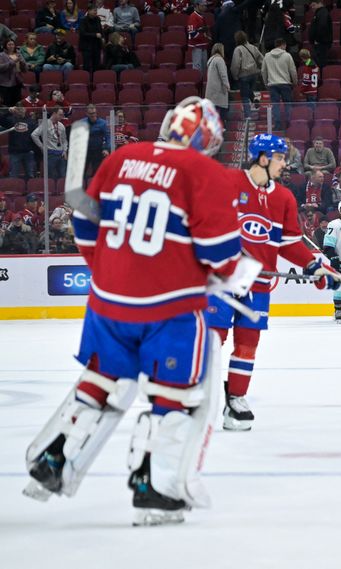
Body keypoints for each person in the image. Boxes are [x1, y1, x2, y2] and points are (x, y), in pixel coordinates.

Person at [22, 97, 254, 526]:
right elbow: (220, 255)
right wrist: (237, 274)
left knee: (101, 381)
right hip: (170, 307)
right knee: (175, 393)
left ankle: (55, 456)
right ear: (209, 140)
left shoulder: (124, 157)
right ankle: (154, 486)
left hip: (108, 302)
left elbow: (85, 222)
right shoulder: (206, 172)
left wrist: (108, 270)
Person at [205, 132, 341, 431]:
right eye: (280, 158)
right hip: (220, 280)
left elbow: (290, 243)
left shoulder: (283, 197)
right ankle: (199, 399)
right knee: (211, 341)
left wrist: (314, 265)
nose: (285, 164)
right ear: (263, 158)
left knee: (248, 343)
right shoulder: (226, 184)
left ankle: (236, 399)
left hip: (257, 284)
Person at [261, 37, 296, 131]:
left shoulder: (267, 56)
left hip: (272, 84)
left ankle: (277, 124)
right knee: (287, 104)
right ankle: (289, 123)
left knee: (275, 105)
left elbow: (263, 71)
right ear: (283, 45)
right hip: (285, 83)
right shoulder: (287, 56)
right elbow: (292, 70)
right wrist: (295, 82)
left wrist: (266, 83)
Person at [230, 30, 263, 120]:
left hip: (243, 75)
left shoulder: (238, 49)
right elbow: (261, 59)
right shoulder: (253, 47)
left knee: (244, 96)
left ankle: (248, 116)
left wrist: (235, 75)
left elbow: (236, 64)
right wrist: (260, 70)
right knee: (251, 91)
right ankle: (255, 100)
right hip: (254, 73)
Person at [31, 106, 68, 179]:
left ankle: (62, 190)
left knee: (63, 177)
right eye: (60, 115)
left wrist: (65, 151)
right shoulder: (45, 123)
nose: (62, 117)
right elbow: (34, 135)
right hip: (50, 154)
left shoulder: (61, 126)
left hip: (61, 155)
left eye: (62, 115)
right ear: (54, 113)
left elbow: (64, 140)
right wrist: (42, 147)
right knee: (51, 177)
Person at [3, 103, 38, 179]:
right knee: (13, 176)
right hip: (15, 153)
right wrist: (8, 112)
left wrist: (34, 150)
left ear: (25, 109)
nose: (20, 110)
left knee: (31, 176)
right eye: (18, 109)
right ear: (15, 110)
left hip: (28, 152)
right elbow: (1, 120)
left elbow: (36, 135)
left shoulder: (31, 121)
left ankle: (31, 190)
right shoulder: (11, 120)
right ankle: (13, 191)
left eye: (22, 108)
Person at [82, 104, 110, 176]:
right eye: (91, 114)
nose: (93, 115)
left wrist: (106, 148)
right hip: (85, 150)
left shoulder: (102, 123)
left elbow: (107, 137)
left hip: (98, 150)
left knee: (96, 172)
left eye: (94, 113)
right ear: (87, 114)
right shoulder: (82, 123)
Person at [205, 43, 230, 123]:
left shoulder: (211, 60)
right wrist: (227, 85)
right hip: (219, 93)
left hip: (211, 94)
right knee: (221, 117)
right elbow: (223, 75)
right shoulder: (219, 60)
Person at [0, 39, 27, 107]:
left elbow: (24, 69)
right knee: (7, 105)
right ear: (5, 46)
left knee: (17, 104)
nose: (11, 46)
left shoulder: (18, 54)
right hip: (5, 84)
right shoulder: (1, 55)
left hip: (17, 83)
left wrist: (22, 63)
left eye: (12, 44)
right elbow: (1, 68)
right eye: (9, 44)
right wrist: (13, 62)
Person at [78, 4, 103, 74]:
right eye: (94, 10)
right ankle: (87, 81)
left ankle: (96, 80)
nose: (96, 12)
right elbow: (83, 33)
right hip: (86, 46)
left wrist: (103, 37)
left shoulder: (98, 19)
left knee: (96, 65)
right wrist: (95, 35)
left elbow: (100, 30)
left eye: (96, 10)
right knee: (87, 66)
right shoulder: (83, 20)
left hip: (96, 45)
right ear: (89, 11)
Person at [187, 0, 210, 74]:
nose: (205, 7)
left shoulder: (202, 16)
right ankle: (198, 85)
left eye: (205, 5)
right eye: (203, 5)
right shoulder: (193, 16)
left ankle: (203, 84)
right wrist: (202, 33)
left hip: (203, 45)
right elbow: (192, 33)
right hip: (196, 46)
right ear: (197, 5)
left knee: (204, 68)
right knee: (197, 68)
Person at [308, 0, 332, 68]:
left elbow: (322, 26)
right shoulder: (319, 13)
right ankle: (315, 74)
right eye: (311, 6)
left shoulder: (323, 12)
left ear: (320, 4)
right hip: (318, 43)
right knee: (313, 60)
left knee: (320, 61)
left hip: (321, 43)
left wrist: (317, 39)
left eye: (314, 5)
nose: (312, 7)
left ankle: (320, 75)